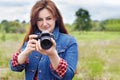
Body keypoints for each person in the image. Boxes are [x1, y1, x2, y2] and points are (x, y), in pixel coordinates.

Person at [9, 0, 78, 80]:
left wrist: (53, 54)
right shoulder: (32, 39)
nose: (44, 24)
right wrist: (26, 52)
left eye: (48, 18)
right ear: (35, 21)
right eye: (40, 20)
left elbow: (68, 76)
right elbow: (14, 67)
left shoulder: (69, 41)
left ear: (55, 18)